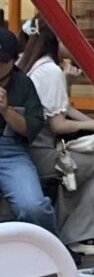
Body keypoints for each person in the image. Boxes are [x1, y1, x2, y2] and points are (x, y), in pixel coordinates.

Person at [20, 17, 94, 252]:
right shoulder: (50, 71)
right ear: (57, 38)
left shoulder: (33, 63)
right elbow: (58, 125)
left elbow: (62, 108)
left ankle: (74, 231)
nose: (77, 42)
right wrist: (93, 125)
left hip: (26, 150)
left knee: (81, 162)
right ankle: (79, 235)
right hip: (40, 153)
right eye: (72, 36)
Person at [0, 27, 54, 234]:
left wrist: (6, 110)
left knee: (33, 207)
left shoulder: (23, 84)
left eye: (1, 61)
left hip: (10, 153)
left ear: (14, 60)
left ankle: (49, 249)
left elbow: (30, 129)